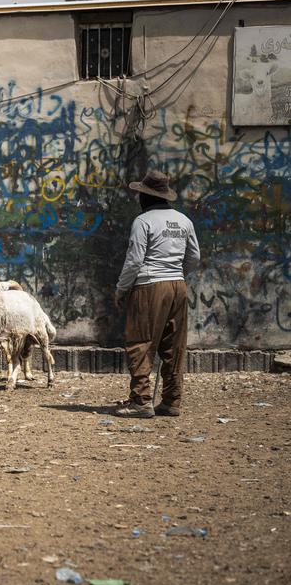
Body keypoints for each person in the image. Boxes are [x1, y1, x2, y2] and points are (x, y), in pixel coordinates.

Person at [113, 170, 200, 418]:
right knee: (174, 345)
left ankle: (141, 401)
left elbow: (134, 260)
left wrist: (121, 289)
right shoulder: (184, 221)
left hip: (150, 286)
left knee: (141, 342)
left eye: (141, 193)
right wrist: (178, 274)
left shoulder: (143, 221)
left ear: (147, 196)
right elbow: (195, 257)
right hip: (178, 285)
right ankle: (172, 400)